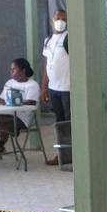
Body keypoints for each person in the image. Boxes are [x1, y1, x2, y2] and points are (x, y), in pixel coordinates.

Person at [0, 58, 40, 164]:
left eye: (14, 69)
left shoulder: (32, 85)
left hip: (20, 117)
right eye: (11, 69)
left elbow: (31, 103)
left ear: (23, 71)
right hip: (4, 114)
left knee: (2, 128)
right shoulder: (9, 83)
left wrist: (13, 103)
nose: (11, 72)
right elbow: (2, 100)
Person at [42, 9, 70, 165]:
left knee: (69, 123)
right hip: (54, 89)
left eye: (64, 19)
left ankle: (73, 154)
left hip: (68, 89)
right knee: (59, 124)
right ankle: (61, 155)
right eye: (58, 18)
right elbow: (47, 65)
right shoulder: (48, 40)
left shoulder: (69, 38)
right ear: (53, 19)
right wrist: (44, 87)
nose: (60, 21)